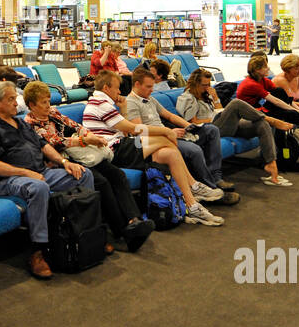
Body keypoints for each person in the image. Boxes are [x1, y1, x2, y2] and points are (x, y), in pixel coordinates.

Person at [0, 79, 95, 279]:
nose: (16, 103)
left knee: (83, 174)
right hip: (9, 181)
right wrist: (26, 173)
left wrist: (65, 163)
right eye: (11, 99)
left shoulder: (21, 123)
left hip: (40, 173)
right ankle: (37, 251)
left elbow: (43, 146)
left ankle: (85, 235)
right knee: (38, 188)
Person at [22, 81, 153, 253]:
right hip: (62, 162)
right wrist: (84, 140)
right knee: (101, 182)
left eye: (48, 101)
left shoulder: (53, 112)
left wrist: (90, 136)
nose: (49, 105)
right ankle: (122, 231)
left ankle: (133, 220)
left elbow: (75, 126)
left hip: (81, 155)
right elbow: (55, 142)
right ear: (31, 105)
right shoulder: (30, 123)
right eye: (44, 102)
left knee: (117, 174)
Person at [83, 70, 220, 224]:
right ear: (107, 88)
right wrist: (166, 131)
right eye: (116, 88)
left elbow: (125, 132)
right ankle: (193, 186)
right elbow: (133, 130)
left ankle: (191, 205)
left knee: (170, 154)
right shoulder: (101, 104)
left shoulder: (104, 103)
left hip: (124, 145)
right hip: (116, 149)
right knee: (165, 138)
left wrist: (123, 108)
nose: (120, 91)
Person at [125, 67, 238, 203]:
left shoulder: (149, 99)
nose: (152, 90)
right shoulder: (131, 103)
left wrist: (189, 126)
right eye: (149, 86)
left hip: (169, 134)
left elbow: (170, 116)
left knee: (211, 130)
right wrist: (168, 132)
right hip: (158, 141)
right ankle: (210, 189)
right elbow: (139, 132)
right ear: (137, 84)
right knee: (194, 150)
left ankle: (215, 176)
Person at [178, 68, 289, 186]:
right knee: (236, 103)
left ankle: (271, 164)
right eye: (204, 85)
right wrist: (216, 117)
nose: (207, 87)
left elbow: (219, 109)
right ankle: (271, 119)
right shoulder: (187, 97)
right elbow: (193, 122)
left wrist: (215, 98)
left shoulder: (206, 94)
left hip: (222, 123)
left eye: (208, 84)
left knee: (261, 124)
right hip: (208, 129)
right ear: (195, 83)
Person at [234, 54, 299, 170]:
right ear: (258, 70)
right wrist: (297, 112)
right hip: (250, 115)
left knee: (284, 99)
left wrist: (298, 111)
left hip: (260, 110)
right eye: (265, 67)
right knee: (291, 113)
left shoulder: (263, 81)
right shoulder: (251, 84)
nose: (268, 68)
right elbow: (276, 101)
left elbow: (285, 99)